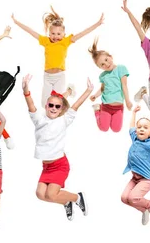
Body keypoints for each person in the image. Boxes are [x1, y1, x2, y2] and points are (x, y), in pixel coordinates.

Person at [22, 73, 92, 221]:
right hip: (46, 167)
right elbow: (31, 105)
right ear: (46, 106)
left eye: (57, 106)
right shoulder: (39, 120)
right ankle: (66, 202)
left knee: (52, 194)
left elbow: (75, 106)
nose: (53, 108)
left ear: (61, 109)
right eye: (51, 105)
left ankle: (77, 197)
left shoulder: (64, 120)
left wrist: (88, 91)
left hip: (60, 165)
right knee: (41, 194)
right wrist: (26, 91)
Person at [12, 6, 104, 106]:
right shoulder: (45, 41)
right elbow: (30, 31)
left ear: (64, 34)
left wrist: (98, 24)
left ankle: (69, 91)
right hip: (47, 76)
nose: (56, 36)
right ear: (49, 33)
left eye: (59, 34)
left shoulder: (66, 41)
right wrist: (16, 22)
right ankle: (68, 91)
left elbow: (82, 33)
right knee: (44, 104)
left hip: (59, 76)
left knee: (58, 101)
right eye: (53, 33)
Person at [121, 105, 150, 225]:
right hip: (135, 178)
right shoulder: (135, 138)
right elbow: (131, 127)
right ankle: (144, 210)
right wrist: (133, 113)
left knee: (133, 198)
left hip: (146, 179)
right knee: (124, 198)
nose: (141, 129)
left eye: (145, 128)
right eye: (139, 127)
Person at [87, 37, 133, 132]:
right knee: (104, 128)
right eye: (102, 64)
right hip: (106, 106)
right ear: (100, 67)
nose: (106, 64)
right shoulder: (103, 76)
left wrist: (128, 101)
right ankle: (97, 110)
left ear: (111, 57)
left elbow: (124, 86)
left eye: (106, 60)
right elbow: (102, 89)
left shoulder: (121, 68)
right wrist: (95, 95)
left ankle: (113, 116)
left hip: (118, 107)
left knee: (116, 129)